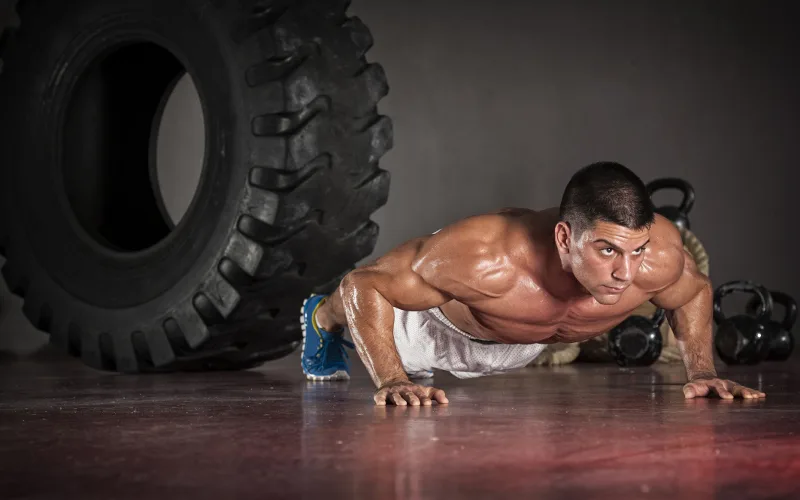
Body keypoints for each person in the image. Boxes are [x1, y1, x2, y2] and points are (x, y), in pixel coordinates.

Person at [298, 162, 766, 406]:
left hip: (525, 339)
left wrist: (702, 371)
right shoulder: (486, 257)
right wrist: (392, 378)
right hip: (440, 329)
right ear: (565, 237)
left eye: (636, 250)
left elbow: (695, 291)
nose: (626, 273)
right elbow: (367, 286)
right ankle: (321, 319)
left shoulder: (656, 257)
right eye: (607, 251)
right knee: (364, 298)